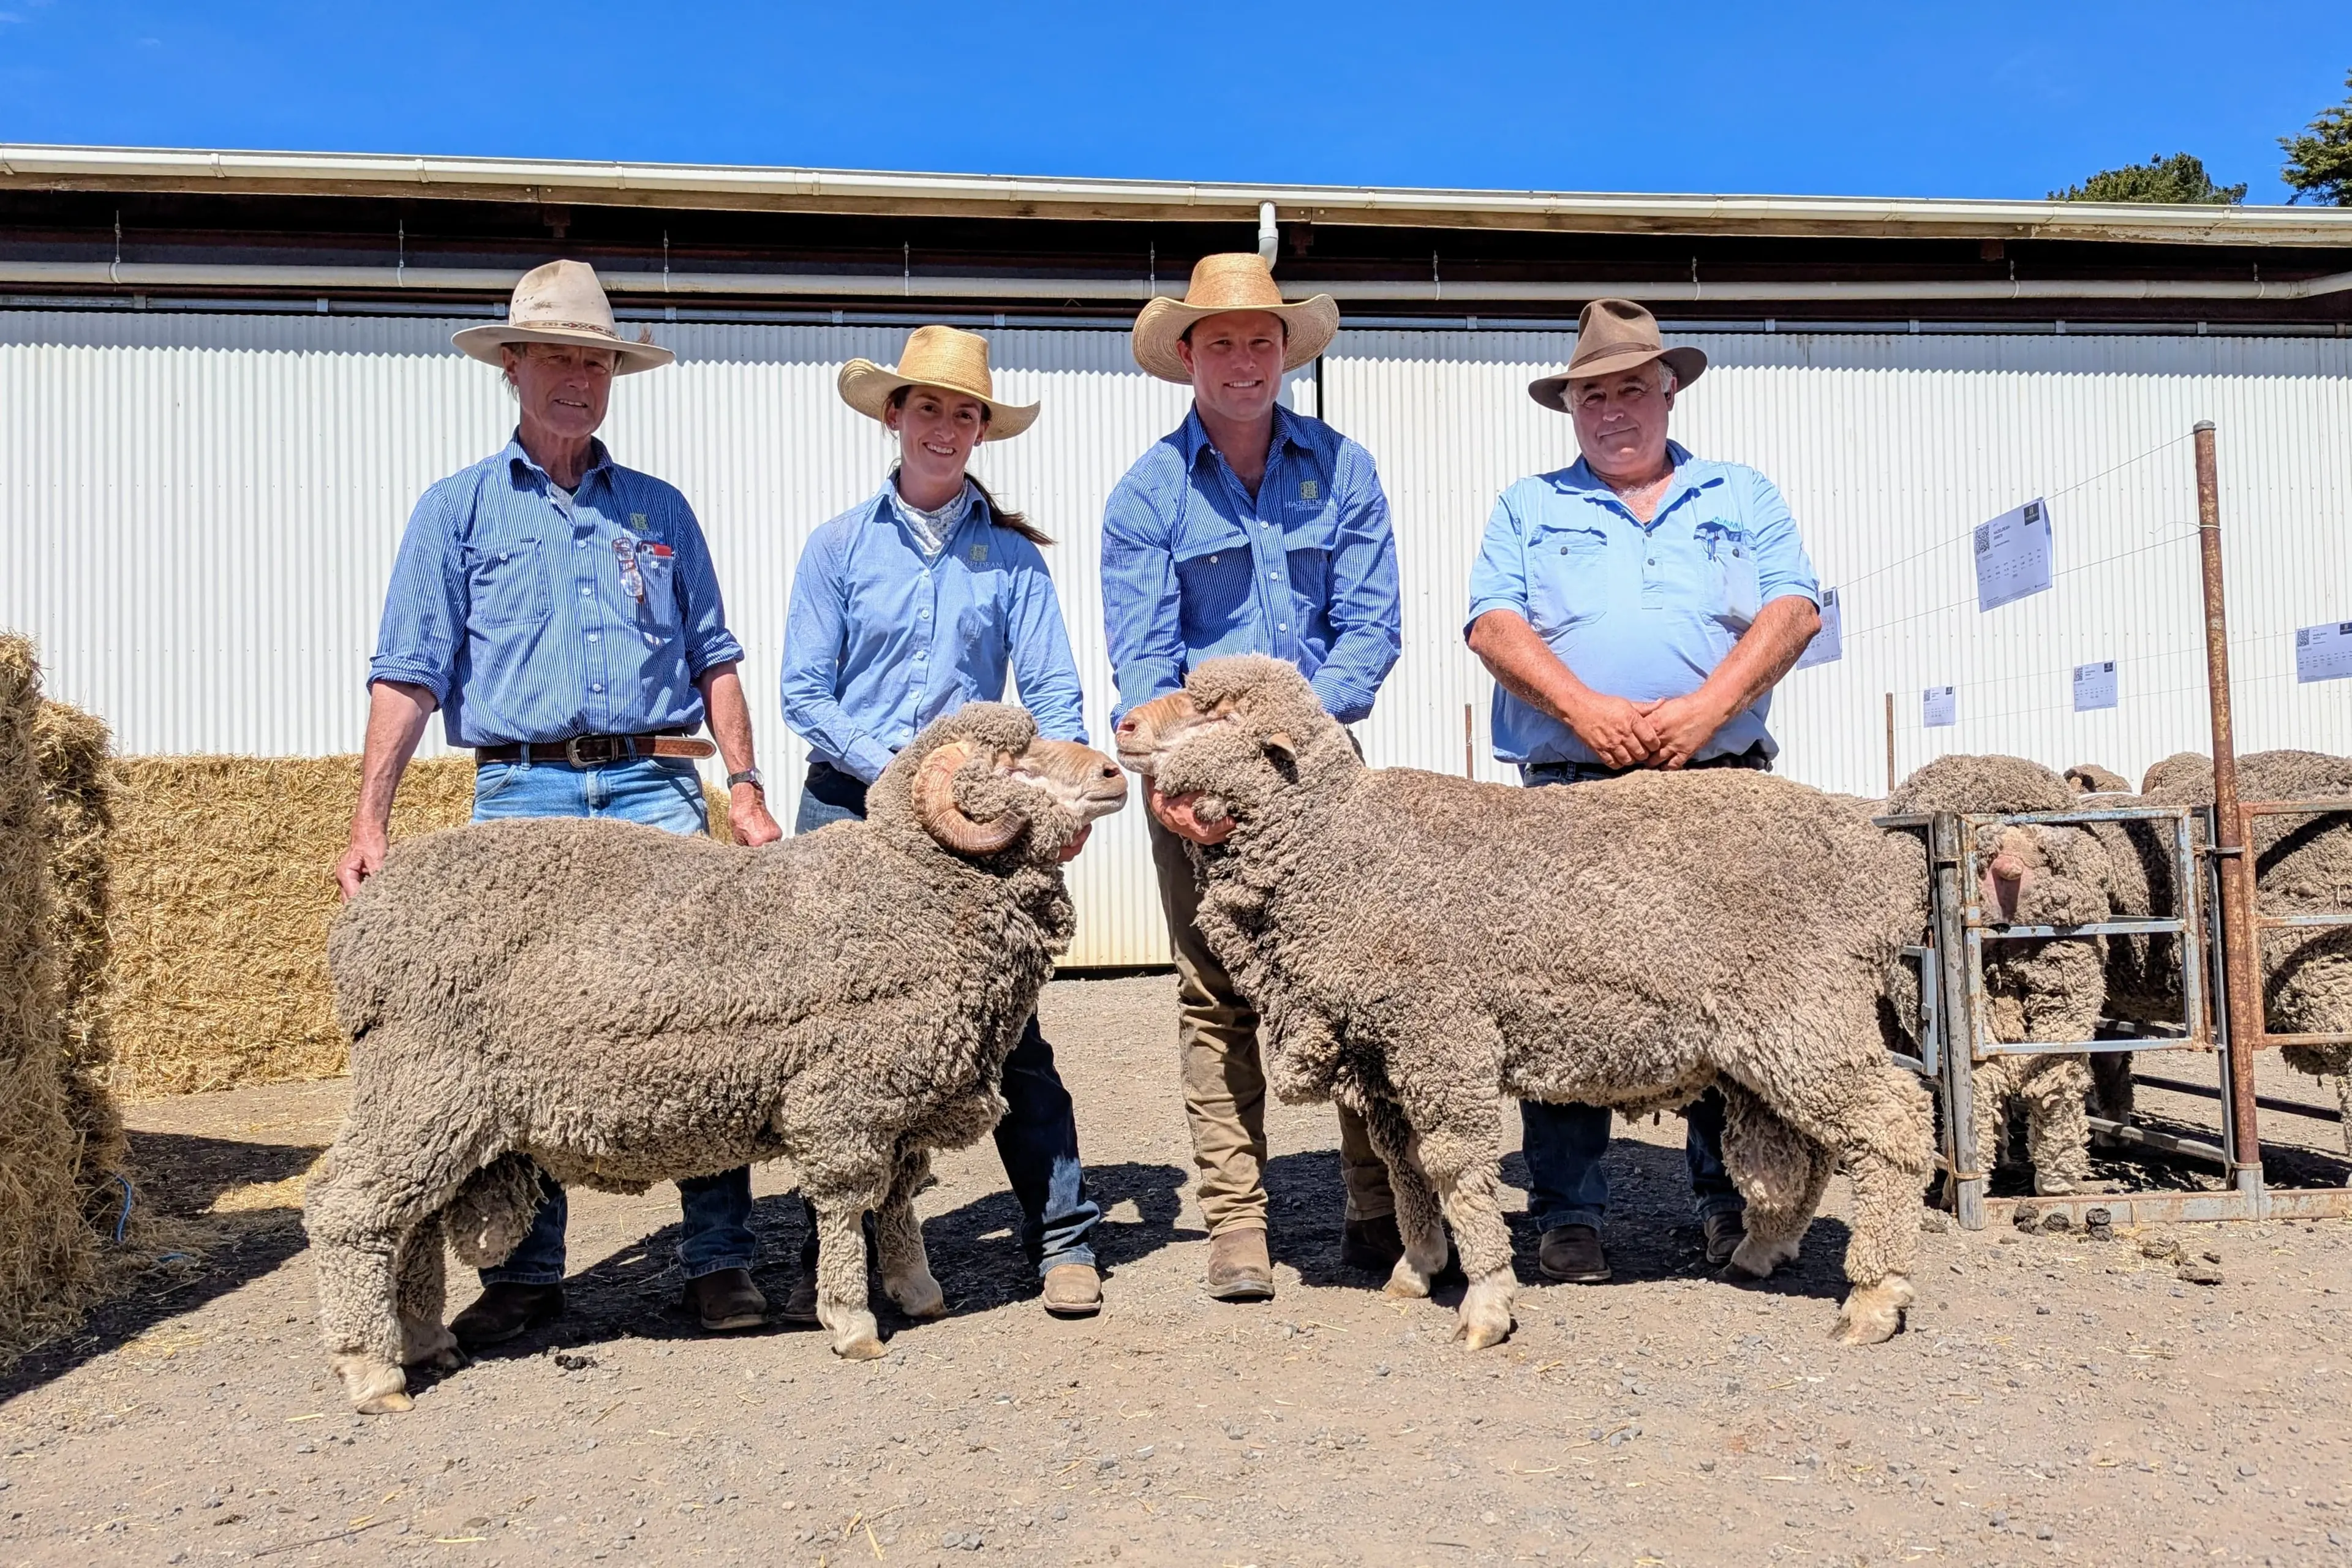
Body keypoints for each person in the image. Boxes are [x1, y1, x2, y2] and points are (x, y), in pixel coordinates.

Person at [335, 260, 784, 1346]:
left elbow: (716, 656)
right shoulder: (458, 511)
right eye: (557, 358)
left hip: (650, 782)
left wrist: (747, 786)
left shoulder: (659, 511)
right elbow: (410, 669)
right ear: (513, 368)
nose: (577, 378)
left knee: (703, 1017)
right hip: (522, 786)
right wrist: (370, 822)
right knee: (515, 1030)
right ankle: (528, 1274)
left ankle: (721, 1261)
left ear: (613, 375)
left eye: (596, 360)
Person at [1464, 296, 1823, 1286]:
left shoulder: (1739, 495)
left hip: (1715, 782)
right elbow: (1492, 625)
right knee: (1556, 996)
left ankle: (1732, 1200)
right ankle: (1568, 1212)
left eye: (1631, 388)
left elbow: (1795, 609)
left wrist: (1709, 708)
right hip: (1572, 788)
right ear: (1569, 408)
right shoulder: (1529, 506)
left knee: (1730, 995)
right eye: (1592, 396)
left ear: (1668, 390)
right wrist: (1582, 709)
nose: (1612, 410)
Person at [778, 324, 1105, 1319]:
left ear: (980, 432)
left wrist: (1049, 794)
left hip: (975, 829)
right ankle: (835, 1247)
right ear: (894, 416)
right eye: (930, 408)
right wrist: (909, 777)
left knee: (1008, 1033)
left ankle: (1063, 1240)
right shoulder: (838, 546)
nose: (948, 428)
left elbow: (1053, 694)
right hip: (849, 808)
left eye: (966, 414)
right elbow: (805, 690)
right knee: (827, 1036)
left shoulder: (1009, 560)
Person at [1102, 253, 1404, 1302]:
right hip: (1200, 779)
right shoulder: (1147, 494)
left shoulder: (1344, 470)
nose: (1242, 360)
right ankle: (1237, 1223)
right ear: (1187, 355)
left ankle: (1379, 1203)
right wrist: (1191, 765)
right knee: (1217, 988)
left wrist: (1296, 733)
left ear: (1287, 351)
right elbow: (1143, 658)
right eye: (1220, 341)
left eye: (1260, 340)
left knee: (1359, 983)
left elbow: (1372, 627)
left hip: (1323, 767)